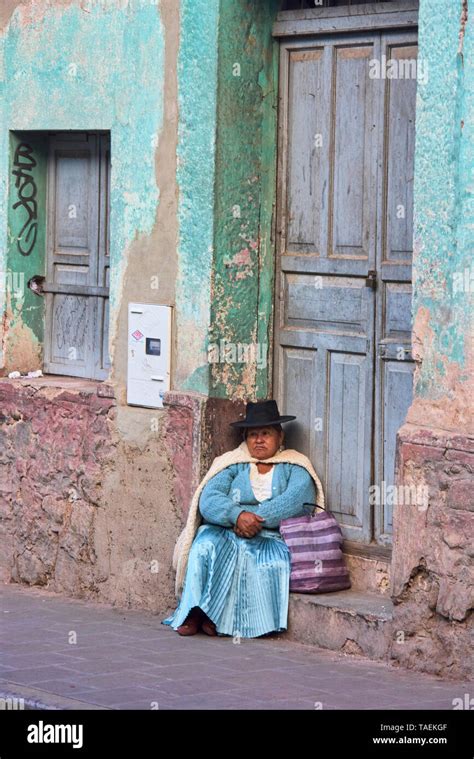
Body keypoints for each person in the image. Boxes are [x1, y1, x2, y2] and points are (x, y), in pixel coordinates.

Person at [161, 399, 325, 638]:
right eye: (253, 434)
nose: (259, 440)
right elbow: (209, 499)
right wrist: (236, 516)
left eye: (266, 433)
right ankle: (194, 612)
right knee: (205, 546)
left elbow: (297, 500)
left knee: (252, 558)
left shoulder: (294, 465)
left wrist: (254, 519)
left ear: (279, 437)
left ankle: (215, 617)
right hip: (227, 528)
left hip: (270, 536)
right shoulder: (232, 464)